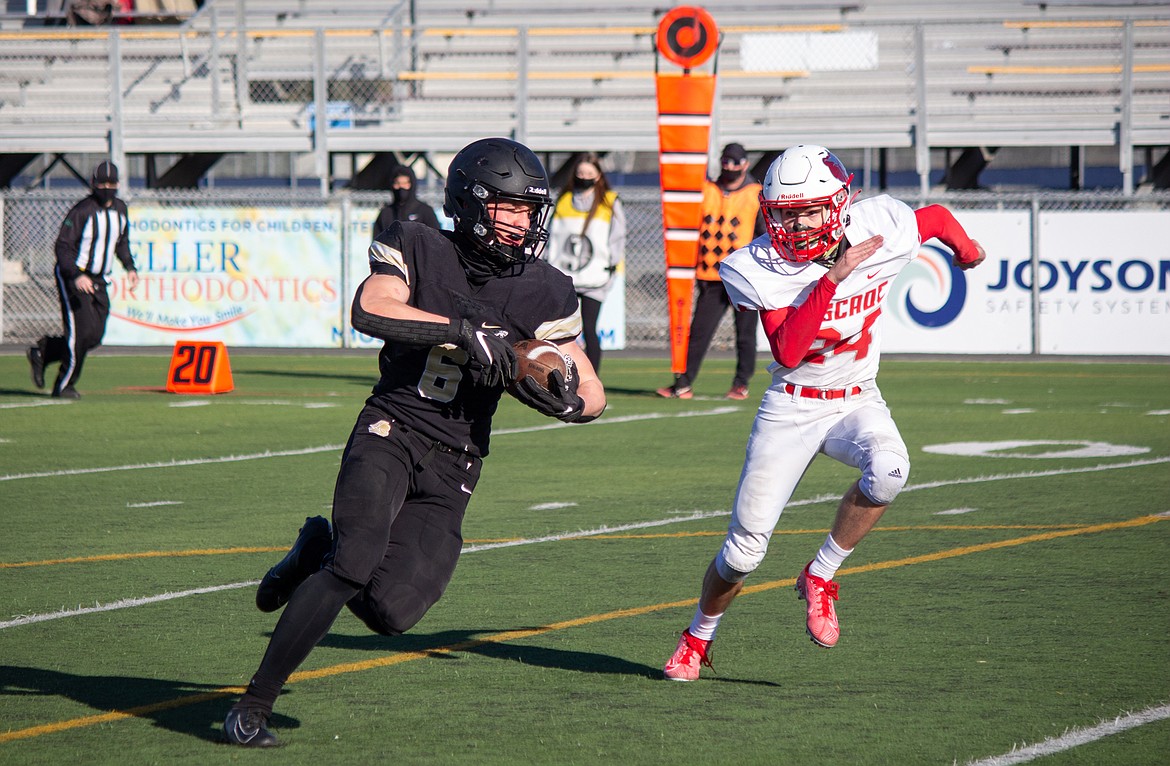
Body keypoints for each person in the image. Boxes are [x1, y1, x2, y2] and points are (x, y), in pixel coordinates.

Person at [224, 137, 607, 747]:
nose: (522, 222)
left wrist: (573, 403)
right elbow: (371, 307)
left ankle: (311, 551)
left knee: (393, 611)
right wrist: (462, 333)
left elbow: (587, 382)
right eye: (509, 207)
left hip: (458, 460)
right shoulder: (420, 244)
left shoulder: (545, 288)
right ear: (470, 203)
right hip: (394, 427)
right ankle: (253, 705)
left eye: (528, 210)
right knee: (354, 561)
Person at [662, 144, 986, 681]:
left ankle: (821, 573)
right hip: (792, 405)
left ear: (839, 205)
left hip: (857, 397)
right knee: (742, 555)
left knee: (891, 469)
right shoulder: (758, 266)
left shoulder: (878, 225)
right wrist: (832, 278)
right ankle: (698, 637)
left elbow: (933, 218)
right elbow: (789, 350)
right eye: (785, 214)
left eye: (809, 211)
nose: (796, 225)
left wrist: (966, 249)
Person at [657, 142, 764, 401]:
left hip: (743, 277)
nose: (730, 167)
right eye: (726, 161)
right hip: (711, 276)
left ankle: (741, 383)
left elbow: (762, 234)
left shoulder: (755, 194)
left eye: (735, 162)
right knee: (699, 333)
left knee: (745, 335)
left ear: (745, 165)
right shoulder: (707, 190)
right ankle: (683, 383)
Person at [27, 161, 139, 399]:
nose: (106, 188)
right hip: (74, 277)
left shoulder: (120, 210)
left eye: (111, 184)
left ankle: (45, 351)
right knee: (80, 333)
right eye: (102, 184)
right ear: (93, 184)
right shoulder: (82, 211)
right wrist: (76, 275)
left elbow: (121, 242)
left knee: (94, 336)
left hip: (99, 280)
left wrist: (130, 267)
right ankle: (64, 385)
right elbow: (63, 246)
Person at [545, 152, 626, 373]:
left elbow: (617, 237)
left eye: (589, 173)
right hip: (565, 276)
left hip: (595, 277)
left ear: (598, 176)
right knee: (560, 330)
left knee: (589, 327)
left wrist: (611, 264)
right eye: (580, 173)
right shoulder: (563, 199)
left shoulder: (609, 201)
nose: (584, 177)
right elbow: (552, 235)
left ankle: (592, 378)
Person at [371, 164, 441, 240]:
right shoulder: (386, 214)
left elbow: (436, 239)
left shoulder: (425, 211)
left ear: (412, 184)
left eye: (405, 183)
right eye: (397, 183)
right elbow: (377, 242)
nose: (401, 187)